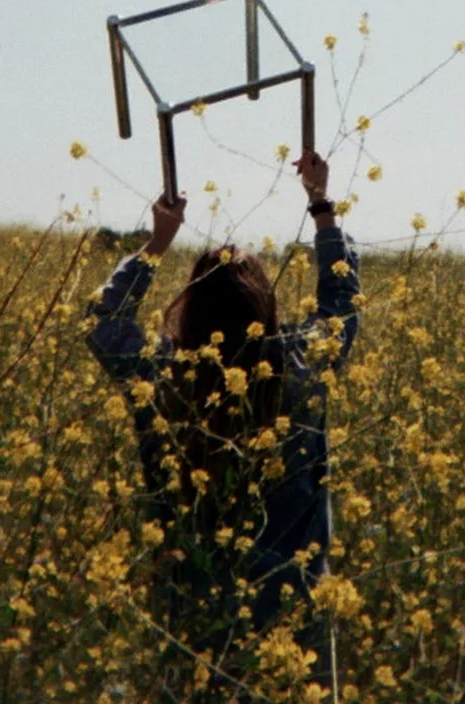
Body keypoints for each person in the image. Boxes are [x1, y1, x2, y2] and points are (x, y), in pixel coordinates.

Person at [86, 150, 360, 694]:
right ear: (267, 309)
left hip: (193, 623)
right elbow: (342, 302)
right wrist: (321, 204)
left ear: (189, 307)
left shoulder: (163, 377)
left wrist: (158, 241)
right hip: (293, 626)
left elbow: (105, 324)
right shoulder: (300, 369)